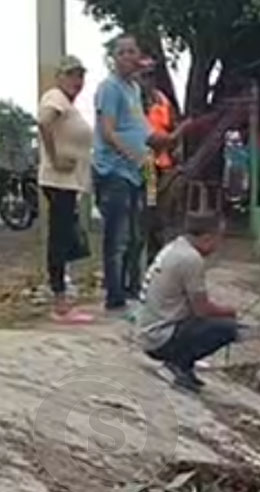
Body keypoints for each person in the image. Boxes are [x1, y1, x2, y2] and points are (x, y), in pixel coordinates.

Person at [93, 34, 165, 311]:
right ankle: (115, 295)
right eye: (121, 52)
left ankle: (133, 287)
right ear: (114, 58)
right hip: (115, 171)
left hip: (143, 169)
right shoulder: (109, 88)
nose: (127, 57)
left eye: (131, 51)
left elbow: (144, 130)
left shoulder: (135, 91)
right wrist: (131, 153)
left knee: (139, 231)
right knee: (118, 236)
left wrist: (170, 139)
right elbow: (107, 132)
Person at [137, 213, 239, 392]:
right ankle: (177, 363)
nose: (219, 245)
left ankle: (184, 366)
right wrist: (228, 311)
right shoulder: (191, 259)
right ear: (207, 238)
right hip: (160, 337)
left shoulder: (176, 247)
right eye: (219, 238)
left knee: (207, 323)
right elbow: (202, 310)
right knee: (228, 328)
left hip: (148, 330)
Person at [36, 55, 95, 324]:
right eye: (71, 75)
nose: (76, 81)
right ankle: (60, 302)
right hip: (58, 180)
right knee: (60, 239)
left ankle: (63, 291)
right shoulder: (55, 97)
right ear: (60, 77)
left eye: (80, 75)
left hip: (69, 182)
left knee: (68, 237)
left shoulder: (69, 105)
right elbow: (45, 122)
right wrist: (55, 157)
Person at [136, 57, 190, 263]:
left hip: (165, 165)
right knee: (149, 211)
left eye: (151, 75)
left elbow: (174, 125)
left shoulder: (162, 100)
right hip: (146, 164)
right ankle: (149, 256)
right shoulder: (134, 101)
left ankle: (160, 256)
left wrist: (177, 146)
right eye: (144, 75)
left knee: (166, 211)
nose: (147, 80)